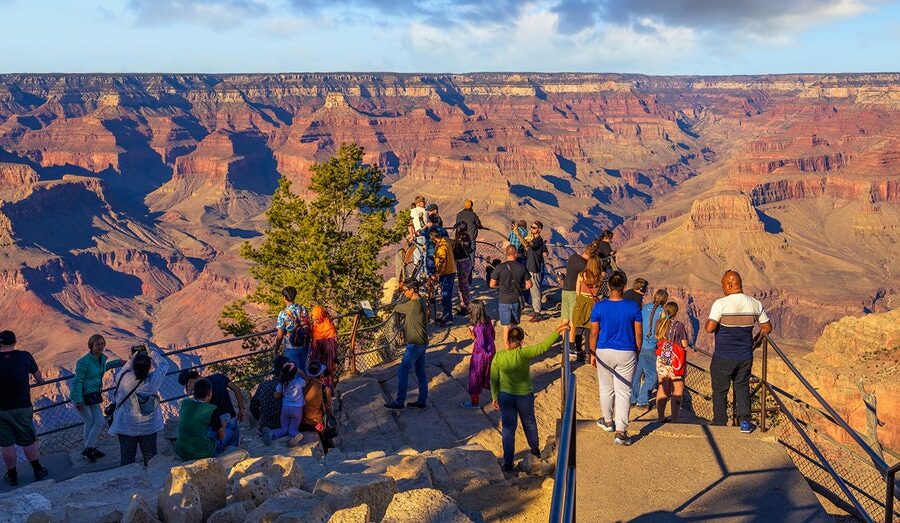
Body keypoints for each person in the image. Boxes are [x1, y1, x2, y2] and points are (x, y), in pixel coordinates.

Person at [491, 322, 568, 472]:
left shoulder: (499, 356)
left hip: (505, 396)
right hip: (524, 395)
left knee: (508, 429)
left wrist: (495, 397)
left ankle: (508, 463)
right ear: (522, 341)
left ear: (507, 340)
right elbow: (542, 347)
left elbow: (494, 378)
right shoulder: (524, 353)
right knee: (529, 423)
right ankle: (535, 451)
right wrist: (557, 332)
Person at [705, 270, 772, 433]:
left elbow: (709, 328)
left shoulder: (721, 303)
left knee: (720, 390)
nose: (722, 289)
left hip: (723, 356)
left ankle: (720, 422)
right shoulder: (755, 303)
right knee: (741, 387)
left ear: (729, 284)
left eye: (723, 285)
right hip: (745, 356)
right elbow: (767, 328)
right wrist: (755, 341)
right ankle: (745, 423)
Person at [589, 271, 642, 446]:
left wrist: (592, 353)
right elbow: (638, 333)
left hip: (604, 351)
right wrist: (637, 351)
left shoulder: (599, 306)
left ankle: (607, 420)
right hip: (626, 351)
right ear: (624, 286)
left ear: (609, 286)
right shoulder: (633, 307)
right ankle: (621, 431)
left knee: (605, 387)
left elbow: (594, 332)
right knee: (623, 391)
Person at [0, 331, 48, 486]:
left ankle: (12, 475)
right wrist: (40, 381)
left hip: (1, 409)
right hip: (22, 405)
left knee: (7, 444)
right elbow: (38, 377)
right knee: (28, 440)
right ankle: (37, 469)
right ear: (15, 342)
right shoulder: (24, 356)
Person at [108, 346, 169, 466]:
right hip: (149, 426)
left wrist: (132, 359)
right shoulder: (153, 381)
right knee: (151, 459)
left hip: (126, 426)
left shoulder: (122, 378)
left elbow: (126, 368)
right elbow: (164, 365)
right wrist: (152, 353)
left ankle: (128, 481)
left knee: (127, 459)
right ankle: (154, 481)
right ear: (149, 367)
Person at [71, 334, 123, 463]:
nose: (100, 346)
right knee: (90, 422)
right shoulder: (83, 362)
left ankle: (89, 448)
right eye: (97, 344)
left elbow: (104, 368)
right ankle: (89, 449)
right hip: (82, 396)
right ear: (91, 345)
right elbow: (78, 382)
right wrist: (78, 400)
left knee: (99, 421)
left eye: (102, 343)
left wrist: (120, 362)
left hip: (93, 395)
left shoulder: (100, 360)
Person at [385, 279, 430, 410]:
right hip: (422, 341)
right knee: (421, 372)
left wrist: (403, 298)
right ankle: (422, 400)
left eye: (405, 290)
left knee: (403, 371)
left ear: (412, 290)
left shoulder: (412, 305)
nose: (404, 293)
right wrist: (406, 295)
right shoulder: (421, 300)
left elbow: (395, 306)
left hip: (414, 344)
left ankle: (399, 402)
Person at [178, 368, 244, 449]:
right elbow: (236, 388)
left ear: (191, 382)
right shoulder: (218, 377)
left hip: (221, 425)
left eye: (187, 386)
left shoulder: (202, 393)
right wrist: (242, 409)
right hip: (232, 419)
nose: (188, 390)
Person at [631, 289, 669, 408]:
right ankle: (642, 401)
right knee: (652, 376)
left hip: (638, 345)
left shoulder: (645, 307)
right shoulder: (662, 312)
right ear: (665, 300)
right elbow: (663, 330)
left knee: (636, 374)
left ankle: (632, 399)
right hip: (651, 347)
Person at [655, 302, 691, 423]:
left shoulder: (659, 323)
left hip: (662, 359)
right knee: (677, 389)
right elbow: (685, 344)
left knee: (662, 388)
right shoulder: (679, 325)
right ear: (676, 312)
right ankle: (675, 419)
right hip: (676, 360)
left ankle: (660, 417)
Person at [489, 245, 532, 341]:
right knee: (514, 326)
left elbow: (491, 284)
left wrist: (500, 286)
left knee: (505, 327)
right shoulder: (521, 267)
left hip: (504, 300)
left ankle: (507, 348)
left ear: (506, 254)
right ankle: (515, 346)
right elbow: (529, 285)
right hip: (516, 299)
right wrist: (521, 288)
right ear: (515, 254)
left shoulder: (500, 267)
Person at [175, 379, 226, 460]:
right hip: (201, 453)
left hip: (181, 451)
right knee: (230, 429)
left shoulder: (185, 403)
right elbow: (221, 436)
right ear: (209, 394)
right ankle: (227, 451)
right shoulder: (211, 409)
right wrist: (223, 425)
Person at [560, 244, 593, 362]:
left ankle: (563, 344)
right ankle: (571, 345)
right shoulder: (584, 266)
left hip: (565, 290)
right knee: (574, 321)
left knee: (565, 319)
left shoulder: (573, 257)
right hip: (574, 292)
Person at [461, 300, 495, 409]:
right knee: (488, 375)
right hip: (491, 350)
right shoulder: (488, 320)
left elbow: (480, 344)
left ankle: (474, 403)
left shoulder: (479, 326)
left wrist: (473, 337)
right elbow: (493, 335)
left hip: (481, 355)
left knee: (475, 377)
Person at [250, 355, 289, 446]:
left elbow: (253, 406)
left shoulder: (263, 386)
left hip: (264, 426)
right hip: (282, 426)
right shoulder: (289, 387)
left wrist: (259, 417)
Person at [570, 256, 602, 364]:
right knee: (589, 331)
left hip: (581, 302)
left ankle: (579, 352)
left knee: (579, 328)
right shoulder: (601, 276)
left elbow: (577, 291)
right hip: (593, 303)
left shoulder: (581, 275)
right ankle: (588, 354)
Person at [514, 221, 548, 322]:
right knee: (532, 289)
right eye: (531, 227)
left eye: (534, 227)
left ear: (539, 230)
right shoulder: (535, 239)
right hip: (530, 267)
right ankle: (535, 309)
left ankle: (538, 312)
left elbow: (526, 244)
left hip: (534, 268)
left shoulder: (538, 240)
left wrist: (518, 234)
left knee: (535, 290)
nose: (532, 229)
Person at [273, 286, 312, 373]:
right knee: (303, 369)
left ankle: (297, 386)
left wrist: (276, 350)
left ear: (284, 298)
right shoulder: (303, 309)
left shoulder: (283, 314)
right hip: (304, 343)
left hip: (291, 347)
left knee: (293, 371)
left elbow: (280, 335)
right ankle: (305, 385)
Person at [269, 362, 307, 445]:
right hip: (297, 409)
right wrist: (300, 372)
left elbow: (276, 395)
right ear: (295, 372)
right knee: (292, 429)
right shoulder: (299, 382)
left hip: (285, 408)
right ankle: (297, 435)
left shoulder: (282, 384)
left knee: (284, 428)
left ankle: (271, 433)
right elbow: (306, 380)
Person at [300, 360, 334, 451]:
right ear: (321, 375)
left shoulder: (302, 385)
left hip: (301, 422)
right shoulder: (325, 389)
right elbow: (328, 407)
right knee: (328, 441)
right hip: (316, 424)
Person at [432, 229, 457, 327]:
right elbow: (454, 242)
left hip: (446, 273)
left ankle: (448, 319)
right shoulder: (446, 240)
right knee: (447, 295)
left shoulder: (441, 247)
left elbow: (441, 260)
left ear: (434, 238)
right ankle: (446, 316)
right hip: (451, 270)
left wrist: (437, 273)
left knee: (445, 296)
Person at [310, 305, 338, 389]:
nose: (315, 320)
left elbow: (334, 340)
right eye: (314, 318)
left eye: (317, 318)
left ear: (321, 316)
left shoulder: (329, 326)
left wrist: (322, 344)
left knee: (328, 371)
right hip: (318, 355)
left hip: (327, 355)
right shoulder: (315, 326)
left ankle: (329, 390)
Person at [453, 227, 474, 315]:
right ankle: (465, 305)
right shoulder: (468, 238)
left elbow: (456, 252)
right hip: (467, 262)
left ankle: (466, 306)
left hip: (462, 263)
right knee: (464, 285)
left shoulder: (460, 241)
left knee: (463, 286)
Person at [408, 196, 428, 265]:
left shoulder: (411, 211)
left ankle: (417, 275)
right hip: (424, 236)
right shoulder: (425, 211)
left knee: (417, 257)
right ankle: (425, 274)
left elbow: (410, 225)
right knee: (425, 257)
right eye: (423, 202)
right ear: (418, 203)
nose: (425, 203)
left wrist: (411, 235)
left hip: (416, 236)